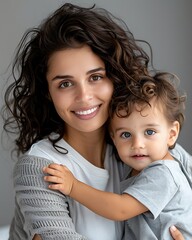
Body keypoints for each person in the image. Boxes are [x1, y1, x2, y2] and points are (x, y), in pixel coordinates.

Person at [2, 2, 190, 240]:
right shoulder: (41, 168)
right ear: (48, 92)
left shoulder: (140, 143)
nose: (84, 97)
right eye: (65, 84)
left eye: (96, 77)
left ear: (114, 76)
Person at [43, 73, 192, 239]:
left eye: (149, 132)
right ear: (113, 138)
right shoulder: (137, 166)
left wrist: (73, 187)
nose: (137, 144)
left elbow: (120, 209)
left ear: (171, 134)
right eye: (126, 135)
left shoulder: (163, 174)